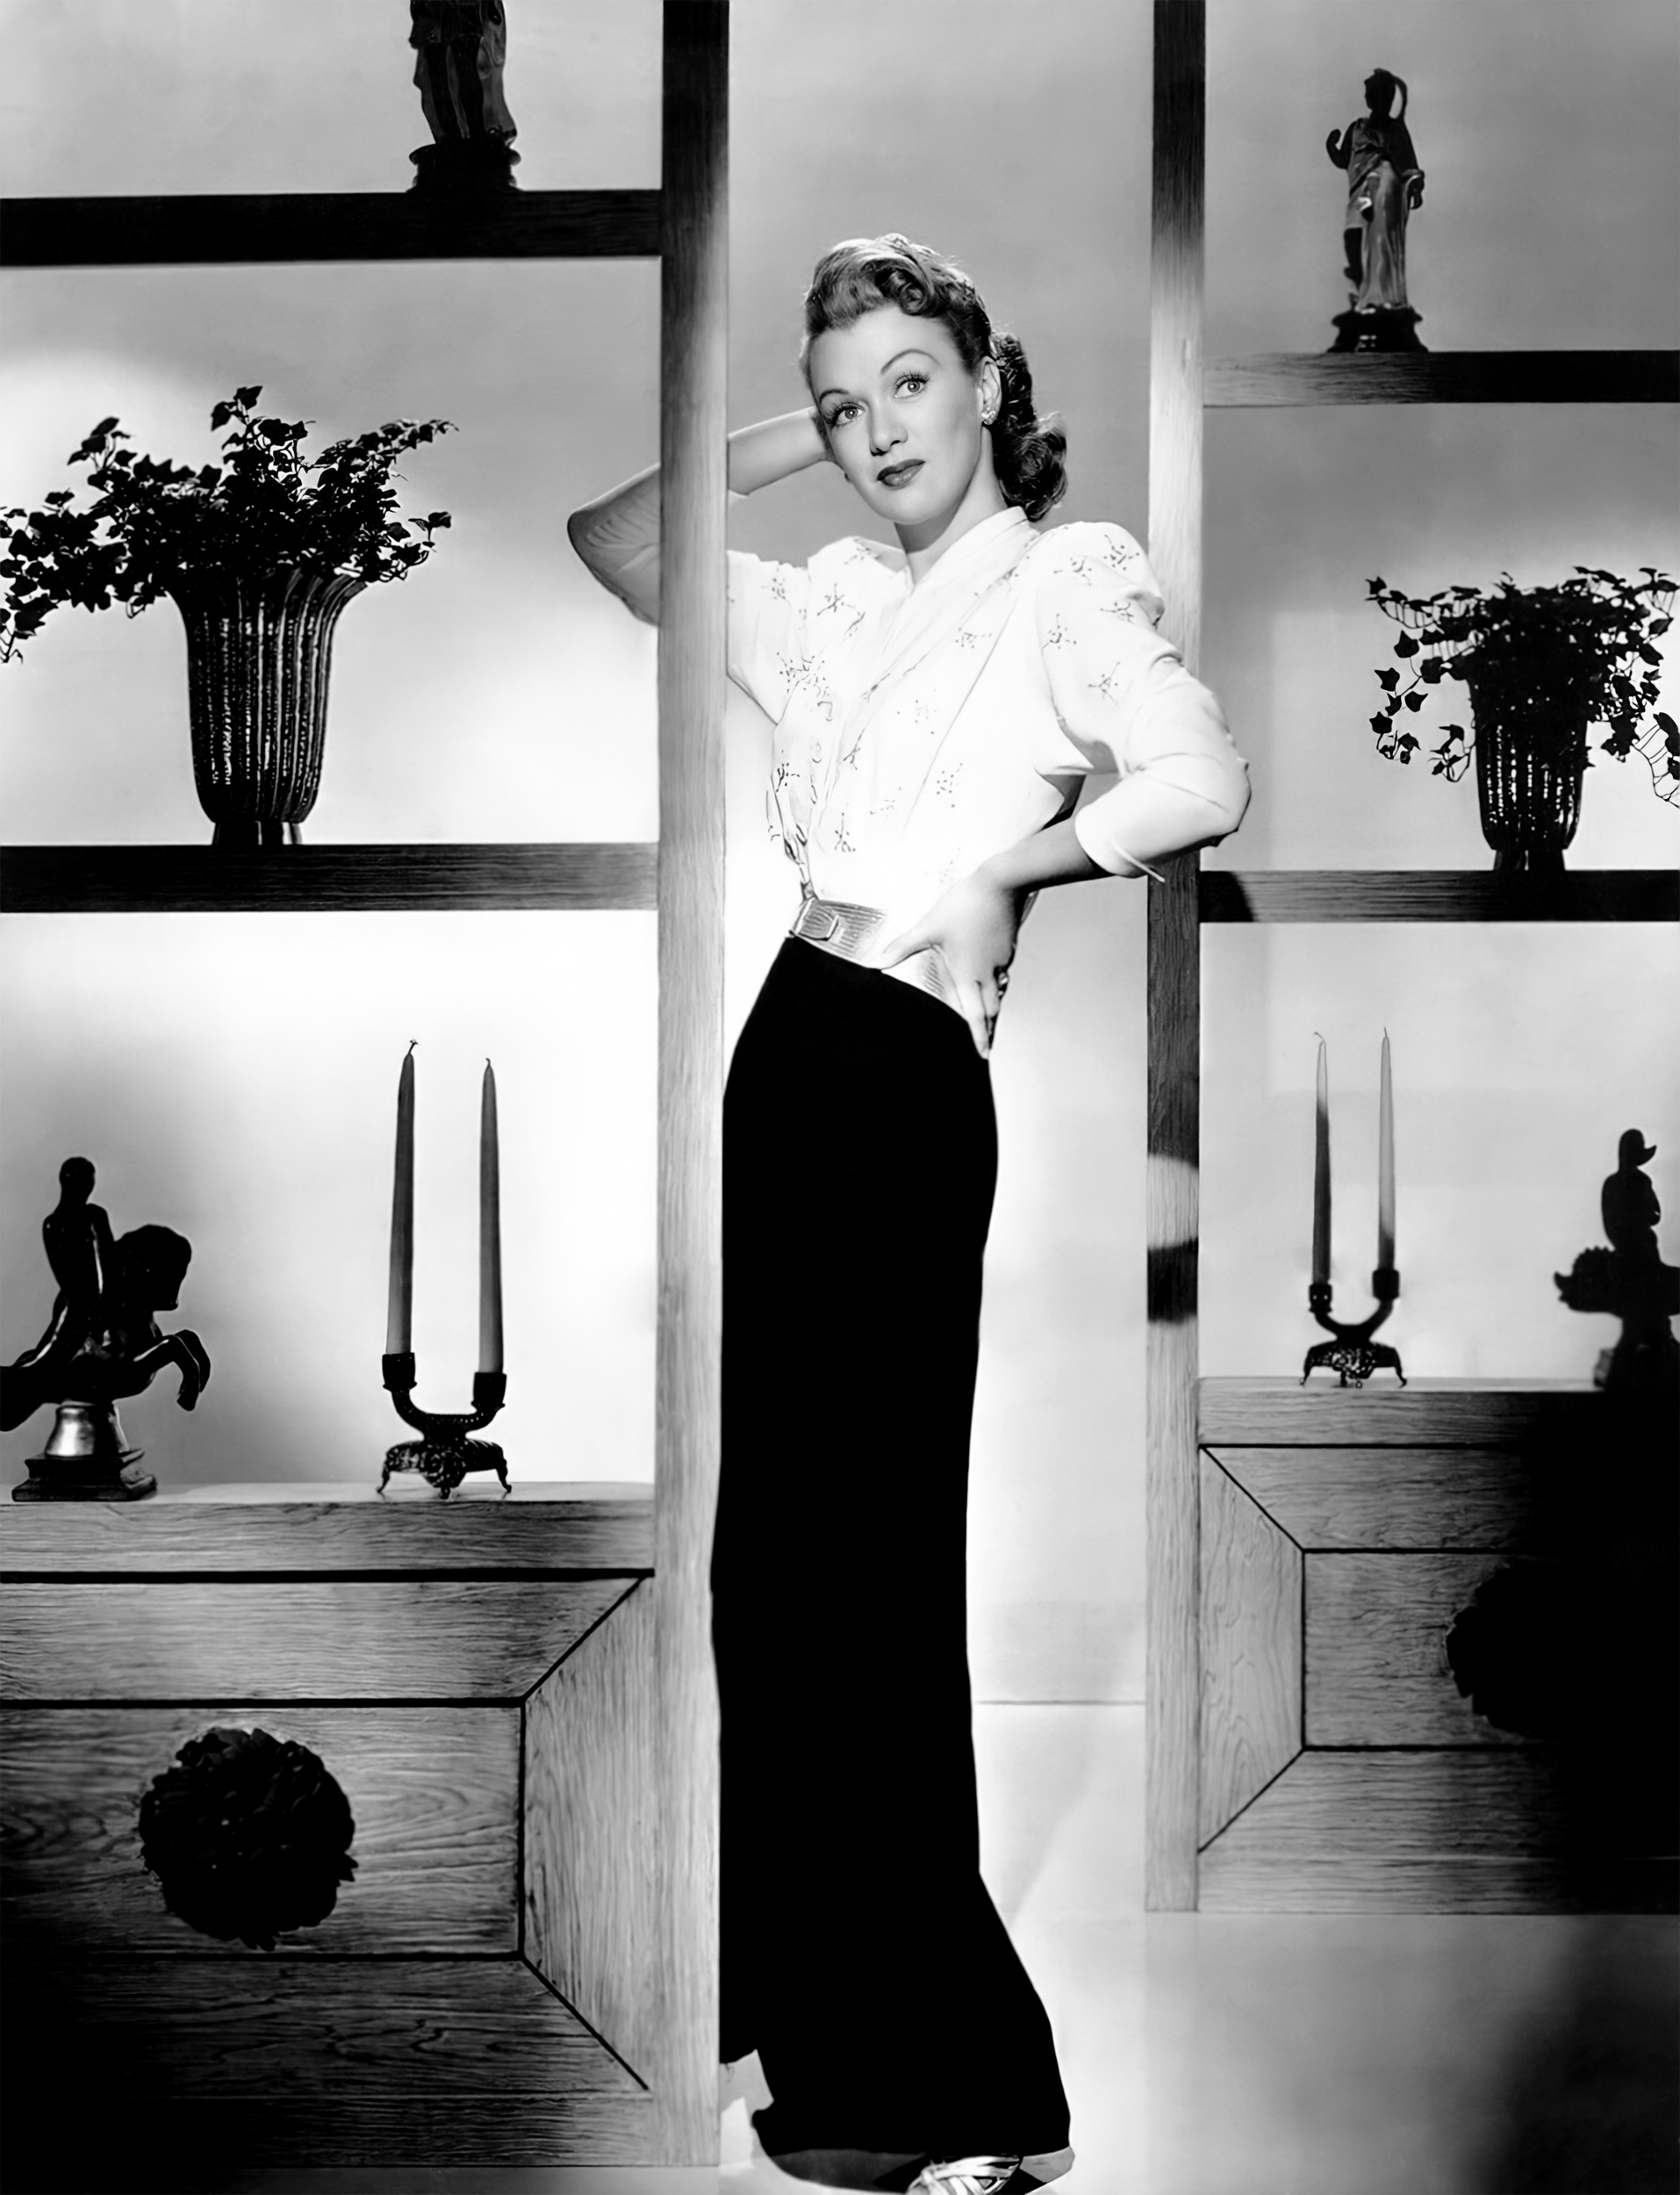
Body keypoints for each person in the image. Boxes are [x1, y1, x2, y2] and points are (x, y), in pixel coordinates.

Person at [570, 234, 1249, 2195]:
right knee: (768, 1572)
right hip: (788, 1045)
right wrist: (807, 427)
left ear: (988, 379)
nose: (880, 431)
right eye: (844, 401)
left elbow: (1198, 776)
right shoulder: (837, 600)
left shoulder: (1063, 575)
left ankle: (955, 2087)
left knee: (860, 1572)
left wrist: (1009, 872)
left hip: (898, 1070)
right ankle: (807, 2038)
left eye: (911, 384)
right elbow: (620, 539)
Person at [1325, 69, 1425, 314]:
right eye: (1368, 93)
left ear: (1385, 98)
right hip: (1359, 188)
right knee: (1352, 234)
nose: (1368, 97)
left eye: (1373, 93)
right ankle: (1361, 289)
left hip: (1384, 190)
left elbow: (1409, 166)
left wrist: (1414, 188)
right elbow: (1343, 159)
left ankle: (1379, 297)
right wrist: (1331, 146)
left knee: (1379, 240)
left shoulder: (1395, 131)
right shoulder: (1357, 128)